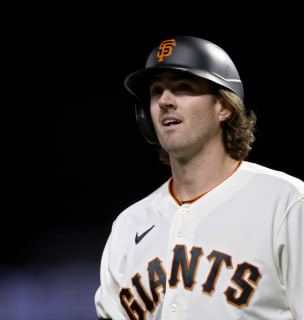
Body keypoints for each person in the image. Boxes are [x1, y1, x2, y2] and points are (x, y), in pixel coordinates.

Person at [94, 36, 303, 320]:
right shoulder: (127, 226)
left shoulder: (287, 203)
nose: (165, 101)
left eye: (183, 88)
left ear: (224, 106)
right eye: (157, 92)